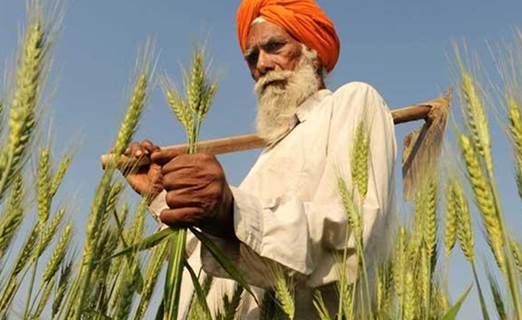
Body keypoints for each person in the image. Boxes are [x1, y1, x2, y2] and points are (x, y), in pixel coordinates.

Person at [122, 0, 397, 318]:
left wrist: (231, 211)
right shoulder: (268, 157)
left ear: (314, 51)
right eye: (251, 57)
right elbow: (221, 271)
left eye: (274, 46)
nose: (261, 65)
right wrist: (163, 197)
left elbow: (352, 236)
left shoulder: (354, 102)